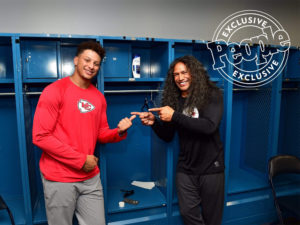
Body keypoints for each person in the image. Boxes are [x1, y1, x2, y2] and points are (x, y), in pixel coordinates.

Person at [32, 41, 136, 225]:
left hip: (90, 178)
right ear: (76, 60)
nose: (91, 66)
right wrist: (81, 160)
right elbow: (40, 136)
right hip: (59, 178)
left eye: (96, 63)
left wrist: (118, 132)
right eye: (87, 60)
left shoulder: (98, 97)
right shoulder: (54, 91)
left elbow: (101, 133)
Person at [132, 55, 225, 225]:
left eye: (184, 72)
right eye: (176, 74)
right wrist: (154, 123)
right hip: (186, 168)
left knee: (213, 219)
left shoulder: (212, 94)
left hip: (211, 168)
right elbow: (167, 136)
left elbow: (209, 126)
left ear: (194, 73)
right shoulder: (174, 101)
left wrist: (174, 115)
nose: (180, 78)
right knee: (188, 212)